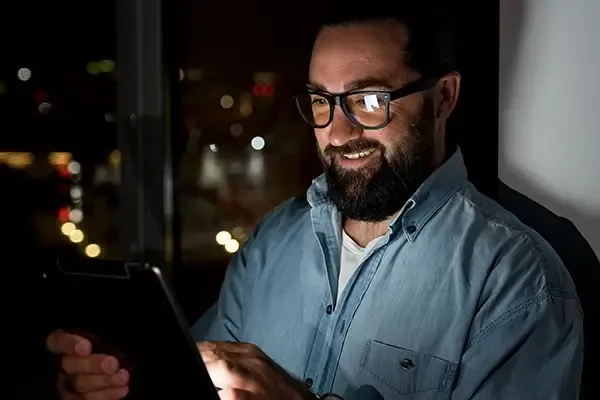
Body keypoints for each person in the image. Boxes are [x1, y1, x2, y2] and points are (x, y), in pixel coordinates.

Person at [46, 5, 584, 400]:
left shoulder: (519, 280)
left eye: (369, 99)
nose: (338, 130)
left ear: (444, 97)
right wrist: (117, 386)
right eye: (322, 102)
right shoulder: (273, 242)